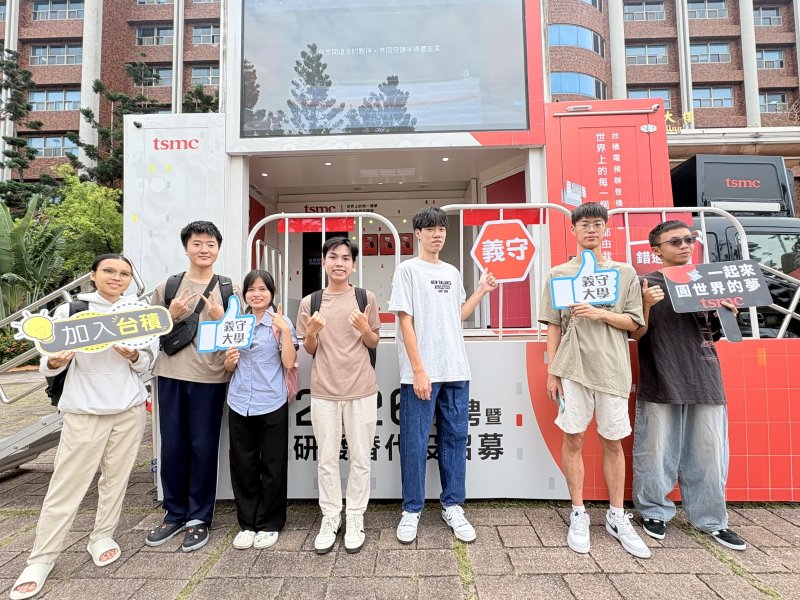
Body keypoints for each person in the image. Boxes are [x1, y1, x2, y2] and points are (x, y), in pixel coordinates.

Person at [10, 255, 153, 600]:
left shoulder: (137, 314)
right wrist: (54, 361)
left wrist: (133, 357)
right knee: (66, 485)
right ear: (93, 275)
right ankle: (41, 557)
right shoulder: (71, 311)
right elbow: (48, 359)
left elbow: (149, 360)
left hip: (128, 410)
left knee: (115, 480)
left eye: (124, 274)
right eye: (109, 271)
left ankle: (102, 535)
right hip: (83, 410)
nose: (116, 278)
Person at [538, 202, 650, 559]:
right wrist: (552, 370)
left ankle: (617, 515)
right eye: (584, 224)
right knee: (573, 437)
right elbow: (553, 326)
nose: (591, 230)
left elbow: (635, 323)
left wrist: (599, 313)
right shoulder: (559, 273)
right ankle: (579, 511)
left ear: (605, 230)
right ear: (573, 230)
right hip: (572, 368)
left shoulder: (624, 272)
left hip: (613, 367)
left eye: (598, 224)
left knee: (613, 441)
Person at [631, 220, 746, 551]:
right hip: (662, 374)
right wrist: (646, 305)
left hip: (705, 375)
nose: (684, 245)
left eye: (689, 239)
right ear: (657, 250)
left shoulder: (709, 280)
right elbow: (634, 333)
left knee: (709, 453)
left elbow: (718, 333)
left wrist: (729, 313)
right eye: (675, 241)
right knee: (655, 449)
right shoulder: (644, 283)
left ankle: (712, 521)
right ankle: (653, 511)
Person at [388, 206, 497, 545]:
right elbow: (405, 322)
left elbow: (457, 314)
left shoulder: (450, 272)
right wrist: (419, 370)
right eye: (430, 229)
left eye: (441, 229)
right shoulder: (407, 270)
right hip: (420, 374)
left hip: (455, 369)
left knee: (454, 439)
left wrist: (480, 292)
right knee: (415, 442)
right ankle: (412, 509)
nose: (437, 234)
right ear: (417, 234)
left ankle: (453, 505)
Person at [146, 221, 237, 552]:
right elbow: (146, 332)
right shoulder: (167, 286)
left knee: (203, 447)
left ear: (218, 249)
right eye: (197, 243)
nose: (204, 249)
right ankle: (174, 513)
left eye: (210, 244)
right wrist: (170, 313)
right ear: (186, 248)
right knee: (172, 446)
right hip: (170, 374)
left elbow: (238, 337)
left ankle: (199, 518)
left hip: (210, 379)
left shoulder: (228, 288)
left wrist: (220, 316)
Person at [296, 237, 381, 554]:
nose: (340, 263)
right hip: (324, 391)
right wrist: (313, 332)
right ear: (324, 261)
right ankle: (331, 516)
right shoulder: (311, 302)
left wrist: (363, 326)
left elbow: (374, 343)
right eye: (333, 257)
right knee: (327, 459)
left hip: (361, 389)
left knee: (360, 458)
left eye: (346, 258)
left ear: (354, 264)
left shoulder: (365, 298)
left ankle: (356, 516)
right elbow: (309, 349)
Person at [224, 270, 298, 551]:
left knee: (272, 464)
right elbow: (228, 368)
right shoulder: (235, 323)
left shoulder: (280, 323)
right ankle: (247, 523)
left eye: (263, 289)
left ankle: (270, 523)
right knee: (243, 465)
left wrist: (287, 332)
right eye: (251, 289)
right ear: (244, 294)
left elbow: (289, 363)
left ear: (271, 294)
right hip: (239, 401)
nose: (257, 294)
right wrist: (230, 360)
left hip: (271, 401)